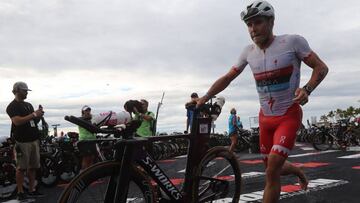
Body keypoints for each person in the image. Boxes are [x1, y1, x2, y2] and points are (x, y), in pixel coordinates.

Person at [196, 1, 329, 202]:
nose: (253, 29)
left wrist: (307, 89)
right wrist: (205, 96)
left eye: (257, 22)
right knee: (271, 168)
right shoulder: (248, 52)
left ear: (271, 21)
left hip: (288, 116)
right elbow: (227, 77)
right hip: (265, 119)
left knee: (272, 170)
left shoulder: (292, 42)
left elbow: (321, 68)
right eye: (249, 25)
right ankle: (298, 171)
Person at [6, 81, 45, 200]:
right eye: (24, 91)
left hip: (33, 140)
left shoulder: (28, 105)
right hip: (21, 141)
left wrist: (38, 116)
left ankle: (31, 189)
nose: (26, 93)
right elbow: (17, 121)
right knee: (21, 167)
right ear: (17, 91)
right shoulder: (12, 106)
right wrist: (34, 114)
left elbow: (32, 122)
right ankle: (20, 192)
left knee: (33, 167)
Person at [77, 105, 97, 170]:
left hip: (92, 140)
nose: (88, 112)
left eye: (89, 110)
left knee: (92, 158)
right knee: (86, 159)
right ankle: (83, 175)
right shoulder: (80, 119)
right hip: (84, 141)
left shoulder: (92, 119)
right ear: (83, 112)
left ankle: (90, 175)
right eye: (86, 110)